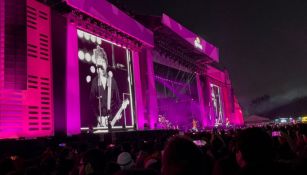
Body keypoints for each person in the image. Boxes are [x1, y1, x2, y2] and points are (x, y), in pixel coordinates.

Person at [90, 45, 121, 128]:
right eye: (99, 62)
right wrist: (98, 117)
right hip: (100, 122)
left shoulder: (112, 81)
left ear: (106, 64)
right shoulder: (95, 82)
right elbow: (92, 103)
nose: (101, 65)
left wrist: (114, 116)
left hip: (111, 122)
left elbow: (118, 102)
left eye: (102, 61)